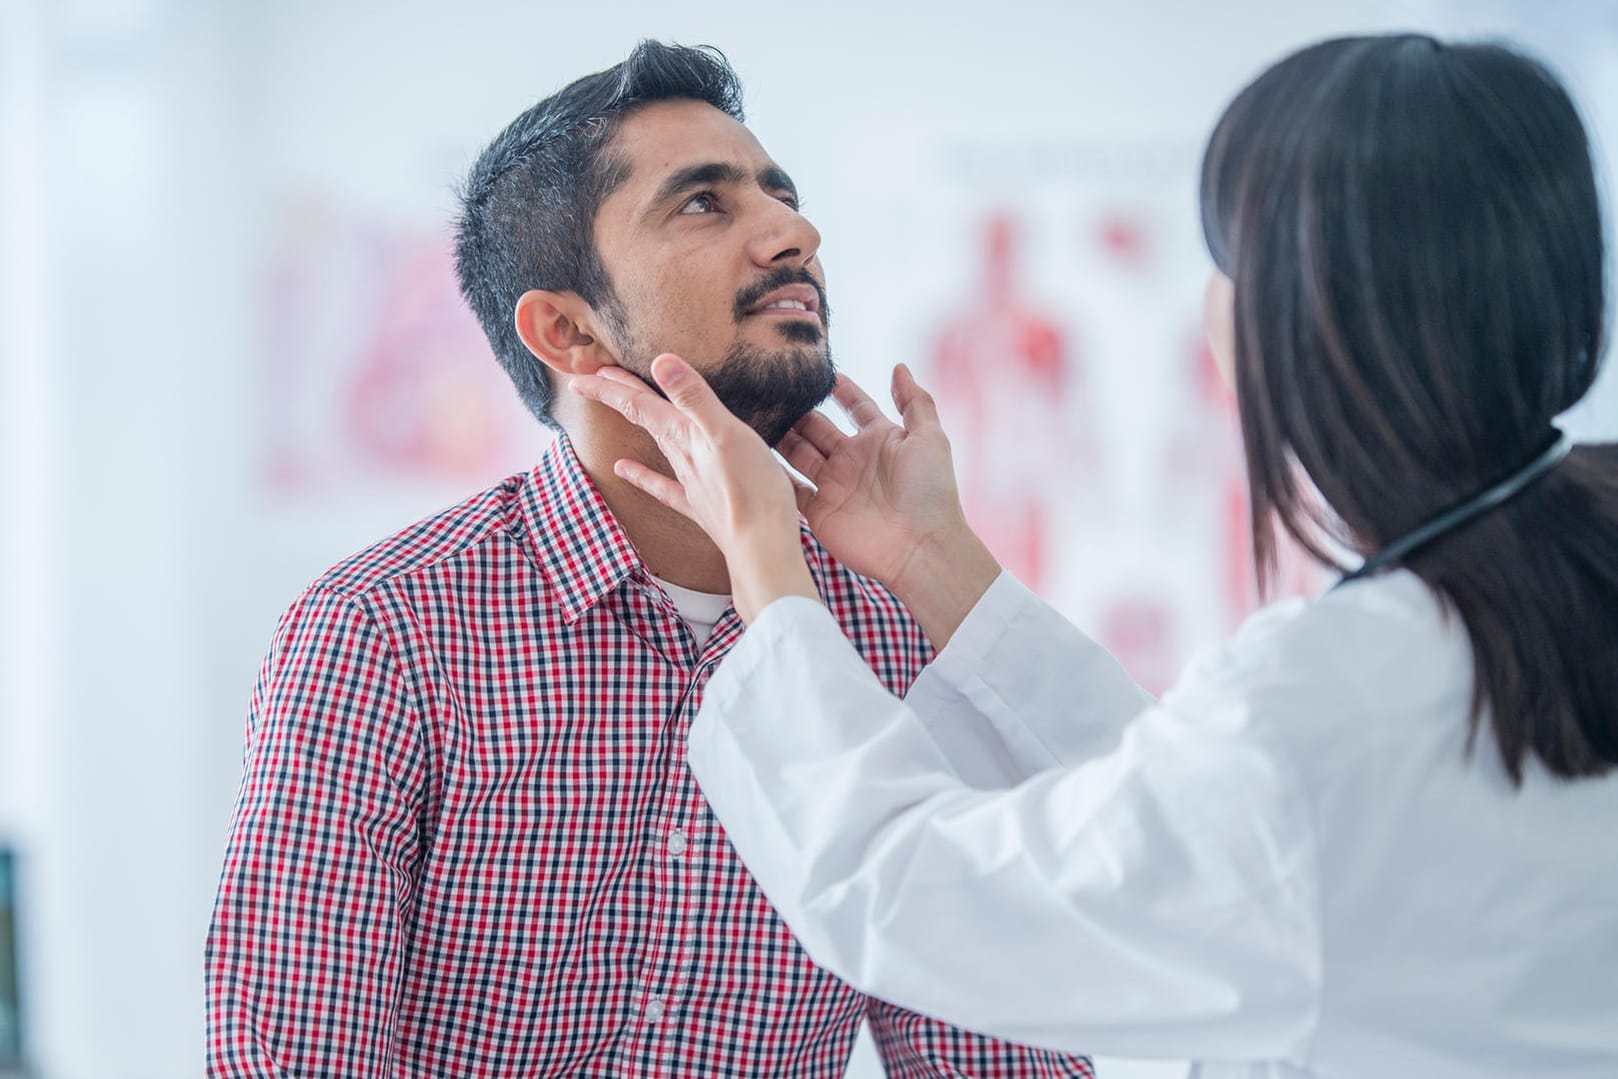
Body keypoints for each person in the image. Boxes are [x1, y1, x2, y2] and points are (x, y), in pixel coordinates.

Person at [571, 34, 1618, 1079]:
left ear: (1301, 319)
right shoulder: (1531, 593)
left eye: (1224, 260)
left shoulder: (1333, 704)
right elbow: (1191, 817)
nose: (792, 232)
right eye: (705, 202)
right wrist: (933, 559)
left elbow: (911, 892)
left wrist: (766, 564)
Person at [204, 41, 1096, 1079]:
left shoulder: (901, 626)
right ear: (569, 332)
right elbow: (299, 1054)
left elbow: (987, 1047)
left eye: (782, 194)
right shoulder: (385, 629)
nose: (793, 233)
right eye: (703, 206)